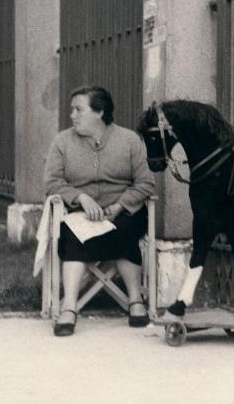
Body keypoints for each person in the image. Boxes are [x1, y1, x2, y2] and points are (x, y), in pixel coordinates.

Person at [44, 86, 156, 337]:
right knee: (72, 233)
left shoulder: (129, 141)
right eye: (72, 109)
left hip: (123, 212)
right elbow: (52, 182)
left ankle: (135, 301)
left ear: (100, 112)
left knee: (126, 229)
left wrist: (120, 205)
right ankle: (70, 306)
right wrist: (80, 198)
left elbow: (146, 183)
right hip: (79, 215)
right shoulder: (62, 142)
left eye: (78, 110)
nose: (72, 115)